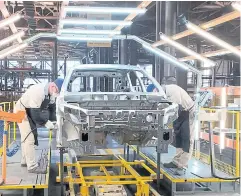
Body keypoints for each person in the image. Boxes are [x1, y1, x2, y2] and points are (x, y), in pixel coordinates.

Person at [14, 78, 64, 174]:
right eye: (57, 91)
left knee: (28, 137)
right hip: (22, 111)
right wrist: (45, 123)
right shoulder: (38, 92)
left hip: (30, 110)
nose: (57, 94)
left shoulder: (51, 94)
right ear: (53, 86)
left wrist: (56, 120)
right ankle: (32, 166)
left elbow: (52, 110)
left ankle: (25, 161)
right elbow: (35, 114)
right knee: (29, 138)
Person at [147, 83, 195, 171]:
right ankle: (176, 161)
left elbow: (175, 108)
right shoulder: (163, 93)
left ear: (156, 89)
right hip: (179, 114)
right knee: (178, 138)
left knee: (186, 139)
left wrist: (162, 123)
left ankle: (183, 166)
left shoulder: (172, 90)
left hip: (187, 112)